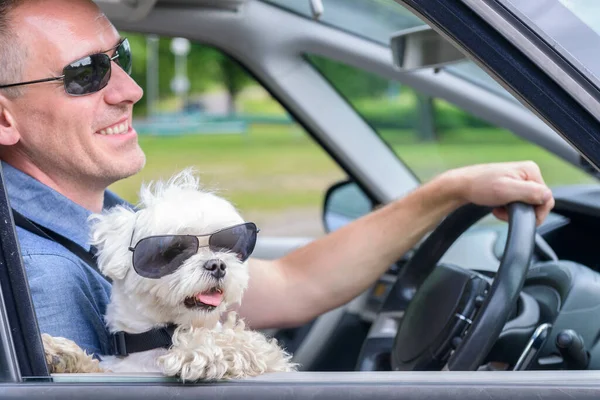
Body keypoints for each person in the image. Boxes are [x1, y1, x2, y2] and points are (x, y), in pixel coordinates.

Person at [0, 0, 555, 357]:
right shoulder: (38, 277)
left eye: (118, 56)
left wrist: (449, 191)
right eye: (85, 73)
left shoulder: (98, 223)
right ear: (5, 117)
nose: (128, 89)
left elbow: (293, 284)